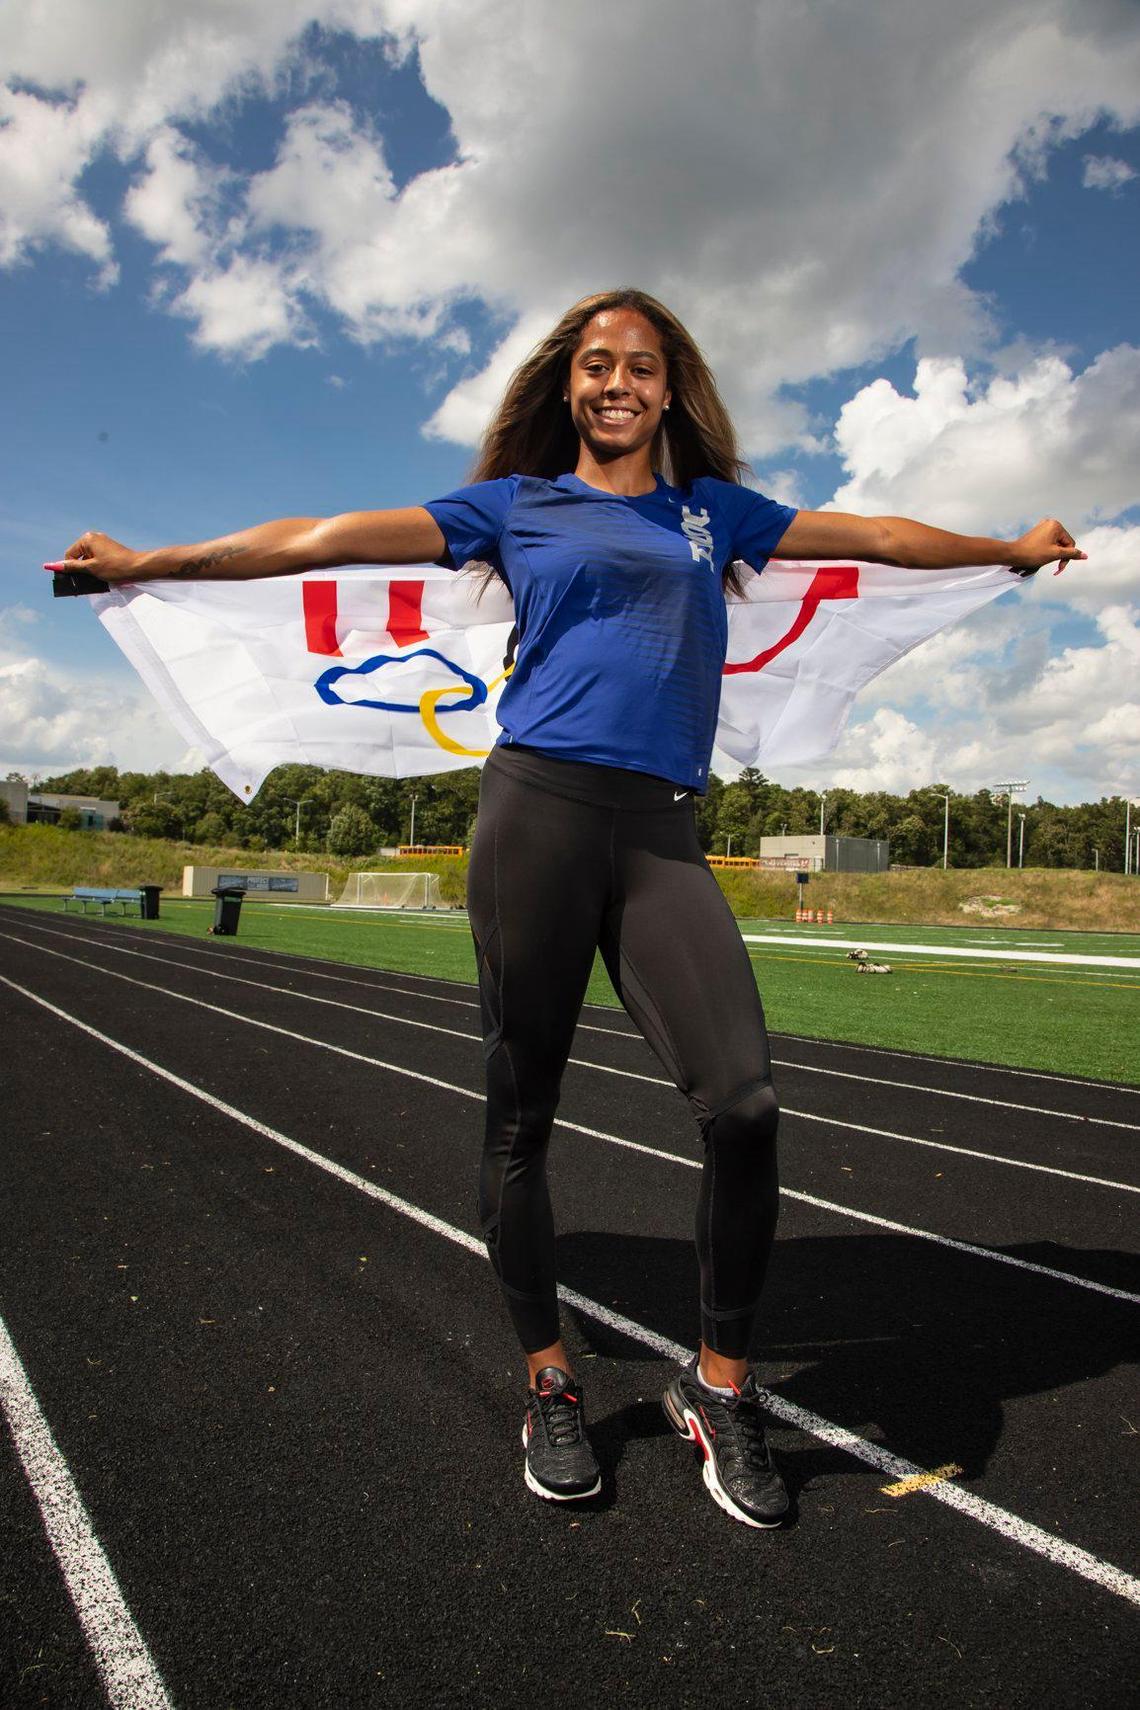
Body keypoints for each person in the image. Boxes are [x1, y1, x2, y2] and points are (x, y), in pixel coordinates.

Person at [57, 288, 1084, 1528]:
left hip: (659, 832)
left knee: (745, 1106)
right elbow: (323, 540)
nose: (617, 383)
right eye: (597, 364)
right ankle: (549, 1378)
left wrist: (1004, 547)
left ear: (670, 388)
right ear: (568, 385)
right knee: (520, 1116)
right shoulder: (515, 505)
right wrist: (147, 563)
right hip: (535, 815)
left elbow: (870, 534)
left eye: (640, 366)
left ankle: (718, 1386)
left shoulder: (715, 514)